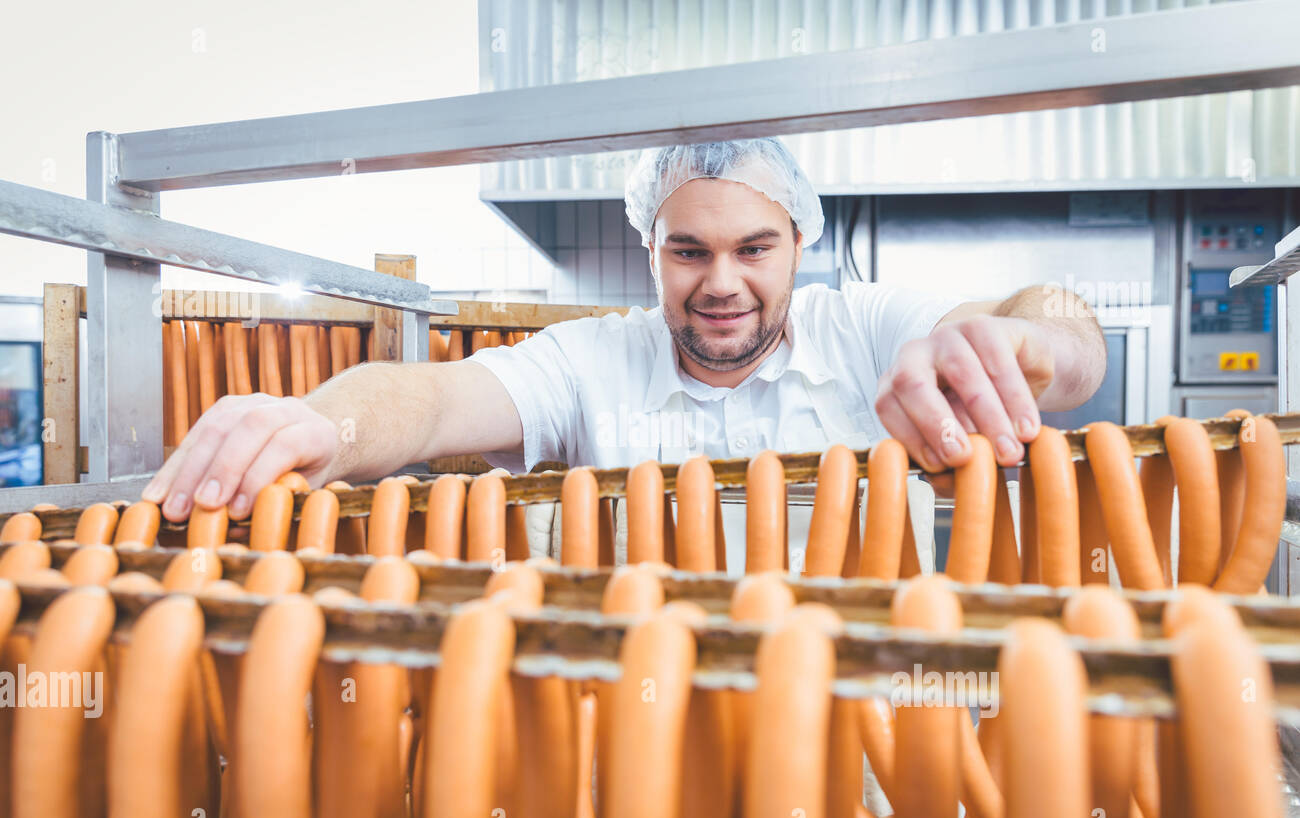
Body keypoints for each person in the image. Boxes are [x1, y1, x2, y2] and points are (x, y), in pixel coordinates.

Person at [143, 137, 1105, 525]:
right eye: (688, 251)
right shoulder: (593, 359)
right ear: (648, 248)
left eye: (754, 249)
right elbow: (431, 398)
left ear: (802, 241)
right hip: (635, 750)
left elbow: (1065, 326)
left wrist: (1027, 345)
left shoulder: (866, 325)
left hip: (860, 749)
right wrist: (325, 425)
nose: (722, 284)